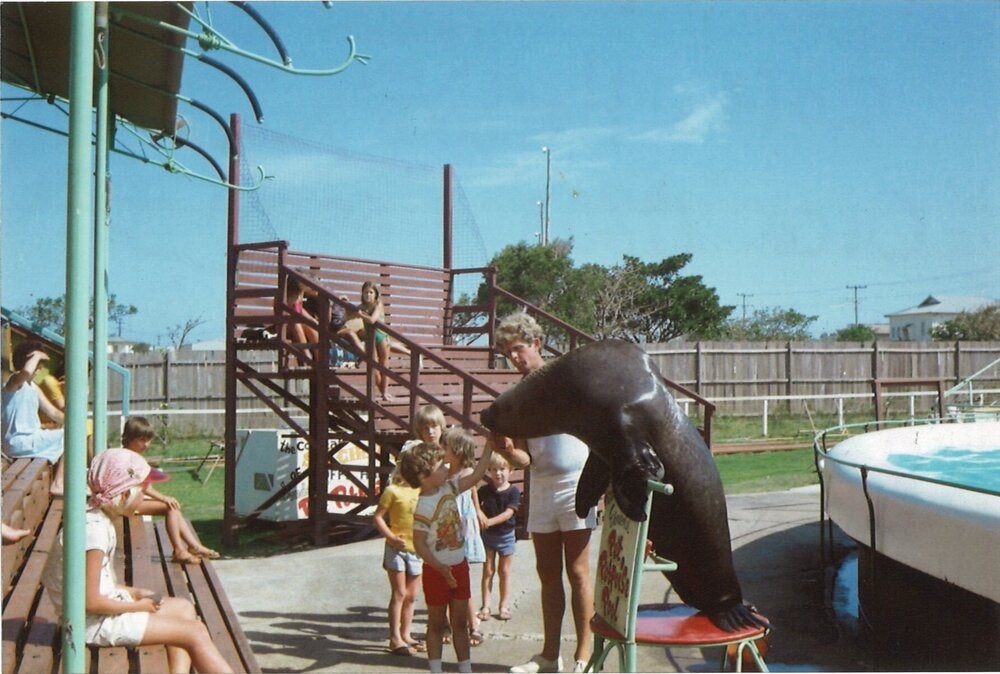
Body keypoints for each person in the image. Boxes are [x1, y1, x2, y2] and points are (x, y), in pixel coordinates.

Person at [41, 448, 233, 674]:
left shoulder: (96, 519)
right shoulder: (94, 534)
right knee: (194, 632)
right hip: (94, 624)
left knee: (184, 608)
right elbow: (91, 601)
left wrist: (135, 591)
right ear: (124, 495)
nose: (145, 497)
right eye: (142, 491)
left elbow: (95, 586)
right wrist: (137, 606)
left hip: (95, 615)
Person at [491, 313, 596, 674]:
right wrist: (504, 448)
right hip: (542, 486)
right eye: (508, 353)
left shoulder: (566, 381)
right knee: (547, 573)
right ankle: (551, 656)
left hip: (577, 484)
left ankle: (585, 653)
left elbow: (594, 432)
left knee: (578, 572)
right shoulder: (518, 396)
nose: (515, 358)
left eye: (518, 349)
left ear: (536, 344)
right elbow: (524, 458)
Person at [398, 437, 493, 674]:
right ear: (423, 476)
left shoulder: (450, 487)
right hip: (436, 572)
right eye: (441, 466)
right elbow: (419, 543)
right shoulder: (423, 506)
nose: (446, 468)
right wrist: (439, 567)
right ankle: (436, 669)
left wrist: (490, 444)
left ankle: (465, 669)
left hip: (459, 567)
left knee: (460, 623)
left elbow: (477, 474)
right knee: (436, 624)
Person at [121, 416, 219, 564]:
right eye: (141, 440)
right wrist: (163, 497)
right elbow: (143, 486)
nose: (146, 445)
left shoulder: (133, 456)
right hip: (124, 504)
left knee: (173, 507)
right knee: (169, 506)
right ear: (129, 438)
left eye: (148, 440)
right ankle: (180, 550)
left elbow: (144, 485)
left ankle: (194, 546)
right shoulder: (128, 458)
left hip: (132, 501)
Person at [372, 459, 425, 657]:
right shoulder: (392, 490)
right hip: (396, 549)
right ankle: (395, 638)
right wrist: (391, 537)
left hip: (417, 549)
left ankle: (406, 634)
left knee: (411, 596)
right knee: (399, 593)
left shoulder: (420, 490)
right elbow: (378, 517)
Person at [440, 427, 486, 648]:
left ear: (457, 451)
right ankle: (447, 624)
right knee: (447, 581)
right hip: (445, 533)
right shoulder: (444, 471)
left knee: (461, 583)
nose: (441, 450)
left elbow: (471, 484)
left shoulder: (465, 472)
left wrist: (478, 510)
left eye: (444, 447)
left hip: (461, 532)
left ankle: (473, 625)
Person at [2, 340, 65, 495]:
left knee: (73, 433)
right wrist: (36, 356)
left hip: (31, 439)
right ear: (29, 360)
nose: (41, 367)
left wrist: (74, 423)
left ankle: (61, 480)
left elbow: (53, 413)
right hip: (18, 442)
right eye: (39, 363)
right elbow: (25, 373)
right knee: (71, 437)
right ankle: (58, 483)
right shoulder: (13, 381)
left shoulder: (32, 387)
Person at [336, 281, 412, 401]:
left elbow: (372, 320)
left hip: (381, 337)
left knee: (384, 365)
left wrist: (361, 315)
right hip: (370, 339)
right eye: (366, 292)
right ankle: (383, 391)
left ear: (375, 294)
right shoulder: (361, 307)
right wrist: (343, 302)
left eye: (371, 292)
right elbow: (349, 316)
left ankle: (385, 391)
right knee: (373, 366)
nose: (368, 295)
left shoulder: (378, 304)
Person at [477, 453, 521, 623]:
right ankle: (485, 606)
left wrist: (489, 521)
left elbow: (508, 513)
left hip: (506, 536)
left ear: (510, 470)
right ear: (489, 471)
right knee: (487, 571)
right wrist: (479, 515)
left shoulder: (513, 492)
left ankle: (503, 605)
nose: (498, 473)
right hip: (488, 536)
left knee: (504, 572)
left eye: (502, 469)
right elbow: (475, 503)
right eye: (494, 470)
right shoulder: (484, 491)